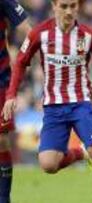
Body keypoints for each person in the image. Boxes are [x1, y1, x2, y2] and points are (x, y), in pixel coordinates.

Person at [1, 0, 92, 202]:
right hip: (53, 108)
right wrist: (11, 95)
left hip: (81, 104)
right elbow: (20, 63)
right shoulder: (39, 34)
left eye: (73, 6)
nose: (69, 11)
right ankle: (80, 154)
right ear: (54, 6)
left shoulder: (89, 36)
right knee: (48, 164)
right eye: (64, 6)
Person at [0, 1, 31, 202]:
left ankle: (4, 198)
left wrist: (22, 60)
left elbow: (28, 31)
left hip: (0, 80)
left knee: (1, 140)